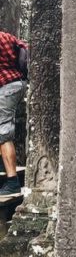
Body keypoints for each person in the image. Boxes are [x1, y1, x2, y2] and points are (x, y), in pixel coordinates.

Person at [0, 29, 28, 197]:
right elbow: (24, 46)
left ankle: (12, 182)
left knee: (3, 132)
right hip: (18, 82)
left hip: (6, 87)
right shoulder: (6, 36)